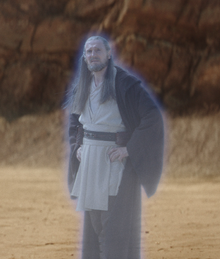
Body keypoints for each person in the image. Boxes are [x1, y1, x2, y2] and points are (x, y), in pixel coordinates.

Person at [66, 35, 164, 259]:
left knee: (113, 230)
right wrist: (77, 146)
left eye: (98, 50)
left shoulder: (124, 83)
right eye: (89, 51)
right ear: (84, 56)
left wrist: (129, 149)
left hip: (113, 163)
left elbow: (151, 116)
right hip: (89, 162)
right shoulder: (83, 85)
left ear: (109, 54)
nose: (93, 55)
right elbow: (74, 122)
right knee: (96, 226)